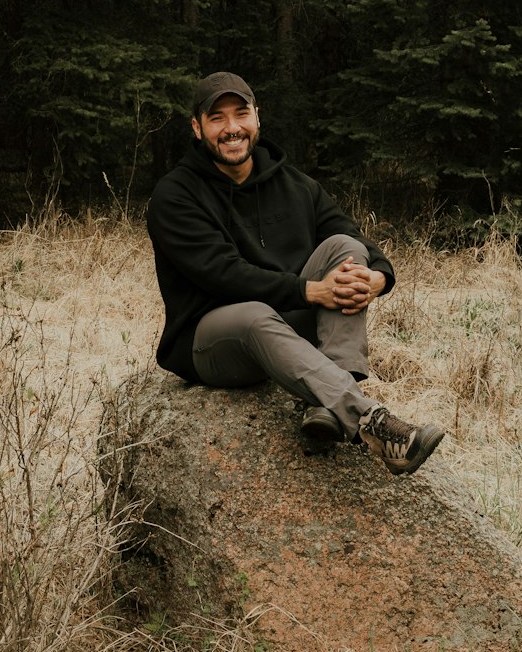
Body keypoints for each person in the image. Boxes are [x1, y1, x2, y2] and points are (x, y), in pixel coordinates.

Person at [146, 70, 444, 476]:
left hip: (283, 325)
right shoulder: (175, 194)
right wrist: (309, 292)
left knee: (346, 250)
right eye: (217, 118)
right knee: (253, 314)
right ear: (197, 128)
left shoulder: (294, 184)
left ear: (257, 118)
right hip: (214, 341)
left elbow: (350, 234)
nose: (232, 128)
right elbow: (222, 275)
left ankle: (325, 404)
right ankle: (370, 421)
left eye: (241, 114)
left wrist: (379, 278)